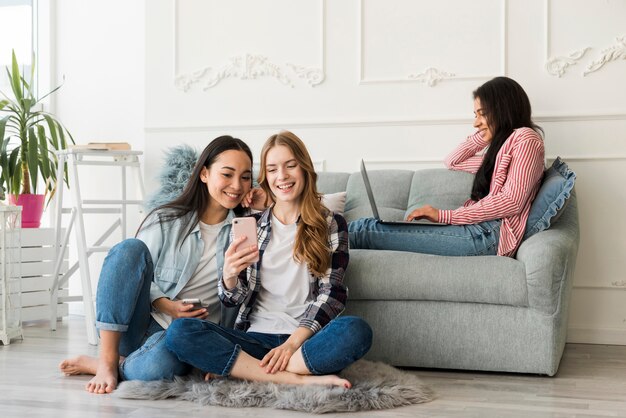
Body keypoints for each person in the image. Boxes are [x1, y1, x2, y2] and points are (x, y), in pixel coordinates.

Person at [165, 131, 373, 388]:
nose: (282, 176)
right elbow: (232, 299)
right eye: (272, 169)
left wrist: (291, 344)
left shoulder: (330, 223)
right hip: (254, 340)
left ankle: (247, 370)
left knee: (356, 330)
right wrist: (229, 277)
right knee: (180, 331)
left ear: (305, 169)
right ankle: (294, 378)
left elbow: (332, 295)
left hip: (304, 341)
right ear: (265, 178)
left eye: (290, 166)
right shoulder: (251, 226)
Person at [59, 135, 254, 394]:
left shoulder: (250, 229)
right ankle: (106, 361)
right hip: (143, 322)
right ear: (205, 174)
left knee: (163, 365)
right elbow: (133, 273)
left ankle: (114, 365)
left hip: (187, 336)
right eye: (227, 174)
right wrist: (166, 304)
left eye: (245, 177)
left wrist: (266, 203)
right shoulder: (166, 219)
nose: (236, 185)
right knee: (129, 249)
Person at [349, 76, 545, 257]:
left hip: (489, 234)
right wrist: (488, 132)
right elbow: (453, 160)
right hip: (481, 229)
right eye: (475, 115)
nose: (475, 123)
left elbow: (511, 201)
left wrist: (444, 215)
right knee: (365, 228)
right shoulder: (501, 151)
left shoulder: (526, 138)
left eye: (481, 114)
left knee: (366, 230)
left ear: (502, 110)